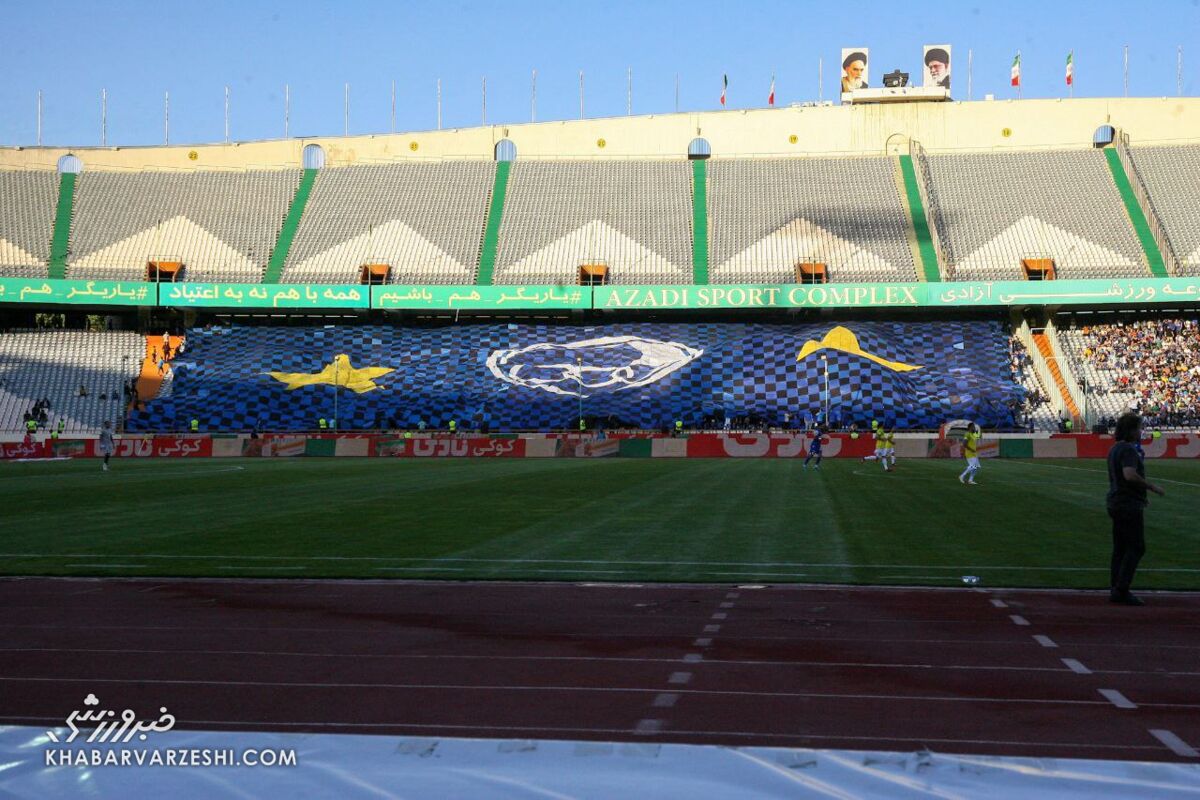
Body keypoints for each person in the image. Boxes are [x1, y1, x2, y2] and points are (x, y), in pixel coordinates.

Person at [1106, 413, 1165, 606]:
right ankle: (1122, 589)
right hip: (1127, 504)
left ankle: (1115, 587)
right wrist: (1151, 487)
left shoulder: (1115, 449)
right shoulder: (1129, 450)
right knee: (1137, 547)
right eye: (1139, 428)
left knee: (1120, 548)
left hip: (1116, 501)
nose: (1141, 432)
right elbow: (1130, 475)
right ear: (1132, 430)